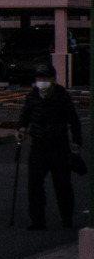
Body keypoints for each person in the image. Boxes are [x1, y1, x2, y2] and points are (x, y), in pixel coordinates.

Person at [17, 63, 83, 230]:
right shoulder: (33, 96)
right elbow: (25, 115)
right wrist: (22, 129)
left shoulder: (61, 95)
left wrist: (76, 144)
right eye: (39, 78)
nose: (41, 82)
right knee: (35, 185)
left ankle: (66, 217)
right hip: (38, 144)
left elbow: (73, 121)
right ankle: (37, 220)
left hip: (58, 145)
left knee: (62, 184)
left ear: (53, 80)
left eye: (45, 78)